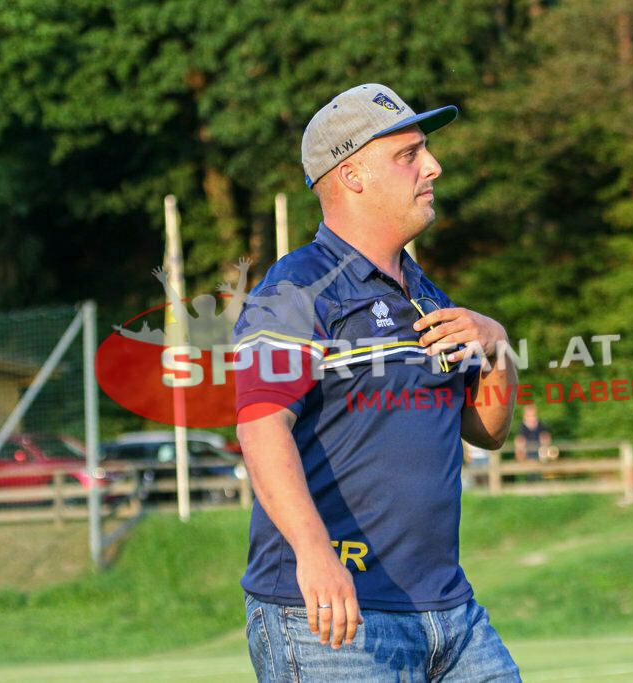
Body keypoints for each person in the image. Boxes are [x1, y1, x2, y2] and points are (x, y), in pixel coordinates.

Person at [234, 83, 521, 681]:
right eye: (409, 154)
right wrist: (314, 556)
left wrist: (497, 348)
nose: (433, 166)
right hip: (333, 615)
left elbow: (487, 432)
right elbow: (261, 427)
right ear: (352, 175)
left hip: (452, 613)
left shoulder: (424, 293)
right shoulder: (296, 289)